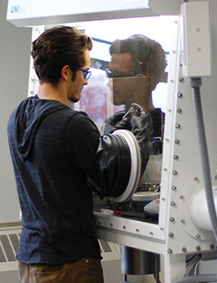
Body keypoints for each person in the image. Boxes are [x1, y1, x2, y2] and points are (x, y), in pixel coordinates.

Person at [7, 26, 151, 283]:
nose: (86, 80)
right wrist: (141, 137)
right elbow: (113, 181)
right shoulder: (70, 124)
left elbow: (60, 164)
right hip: (69, 265)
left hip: (32, 260)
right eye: (83, 72)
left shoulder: (18, 116)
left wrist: (106, 136)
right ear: (66, 72)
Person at [105, 35, 167, 140]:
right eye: (110, 74)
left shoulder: (165, 128)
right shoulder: (113, 125)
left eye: (119, 75)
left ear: (148, 79)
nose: (111, 83)